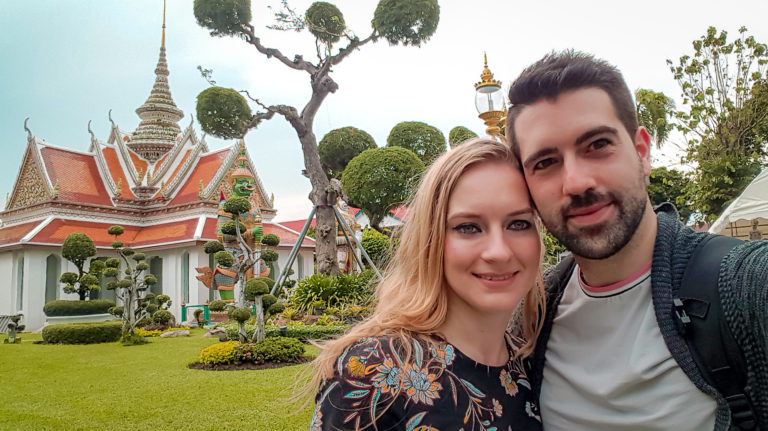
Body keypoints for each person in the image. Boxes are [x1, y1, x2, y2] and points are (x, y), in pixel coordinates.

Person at [504, 50, 768, 431]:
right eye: (545, 163)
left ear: (642, 152)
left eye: (597, 145)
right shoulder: (532, 318)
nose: (576, 182)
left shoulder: (742, 287)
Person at [308, 138, 545, 430]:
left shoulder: (533, 365)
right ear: (430, 240)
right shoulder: (373, 372)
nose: (498, 251)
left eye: (519, 224)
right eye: (468, 227)